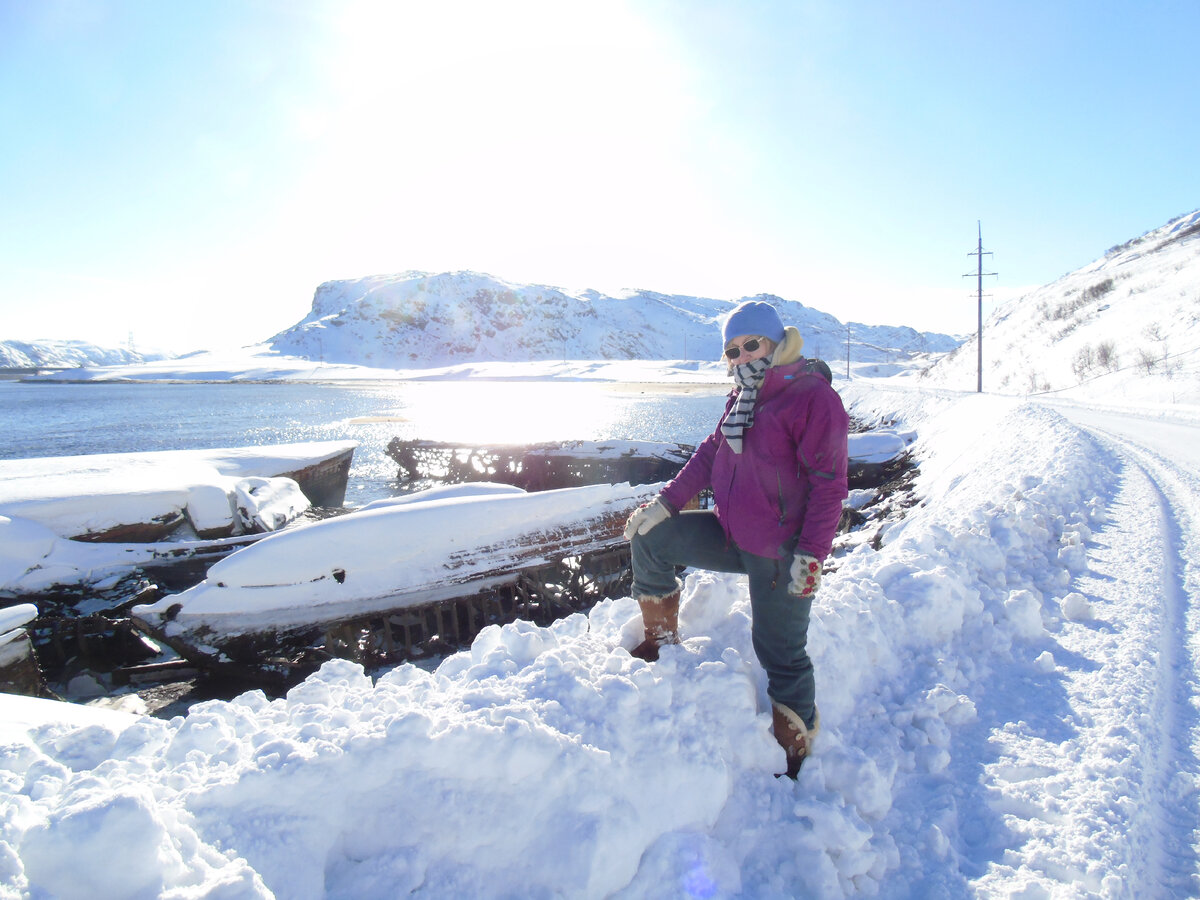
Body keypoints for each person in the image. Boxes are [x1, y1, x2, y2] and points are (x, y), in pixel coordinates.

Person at [623, 299, 849, 778]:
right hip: (732, 535)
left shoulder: (811, 398)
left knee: (779, 650)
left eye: (751, 345)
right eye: (732, 350)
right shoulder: (743, 396)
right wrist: (664, 504)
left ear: (775, 342)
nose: (742, 356)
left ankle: (796, 750)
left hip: (779, 554)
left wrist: (811, 555)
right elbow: (709, 456)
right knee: (652, 540)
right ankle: (660, 645)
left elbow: (831, 484)